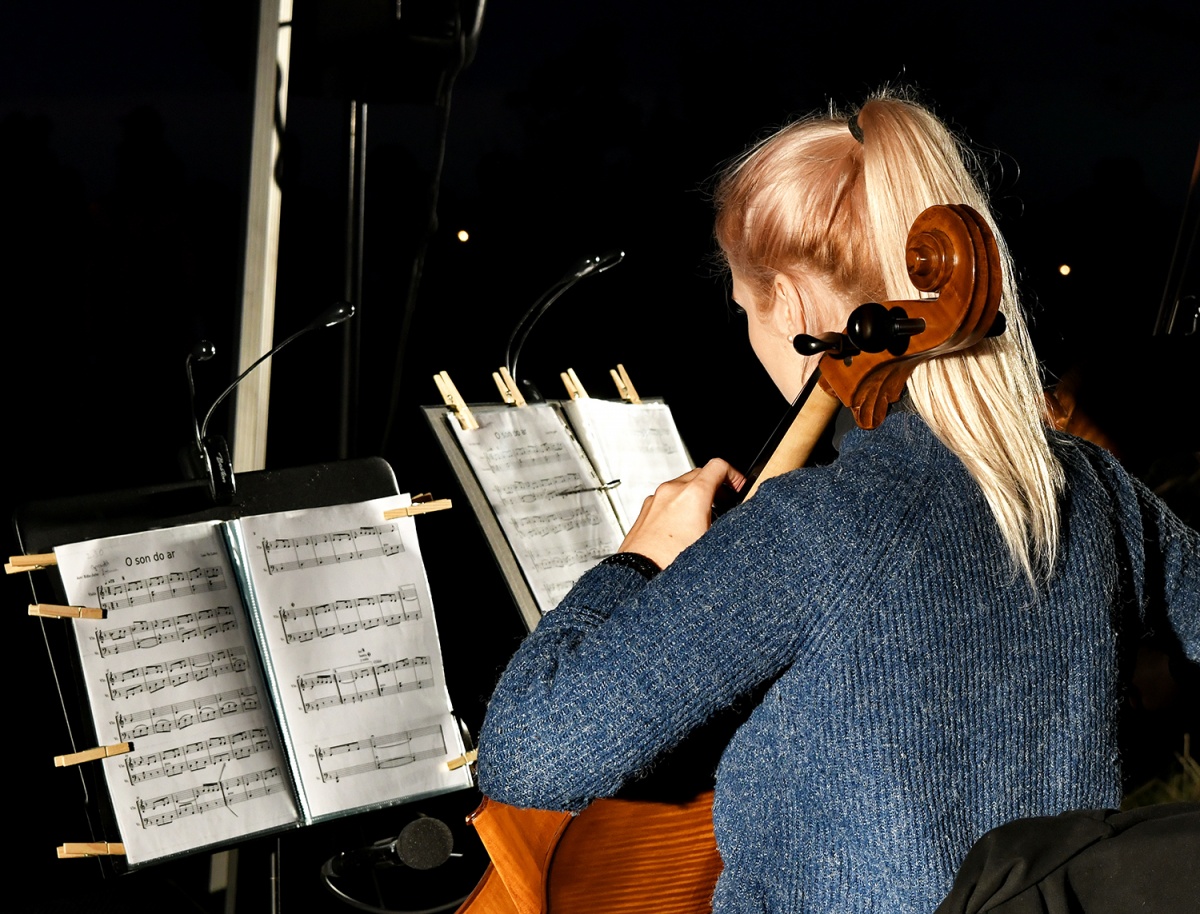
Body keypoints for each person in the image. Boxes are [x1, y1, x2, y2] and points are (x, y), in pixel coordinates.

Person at [474, 88, 1200, 913]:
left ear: (787, 302)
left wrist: (639, 561)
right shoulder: (1095, 490)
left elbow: (530, 756)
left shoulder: (811, 528)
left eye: (746, 309)